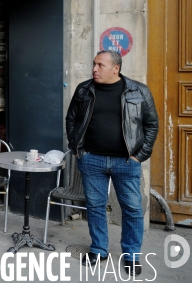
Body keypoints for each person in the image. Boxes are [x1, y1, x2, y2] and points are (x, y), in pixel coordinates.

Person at [66, 50, 159, 276]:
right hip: (92, 160)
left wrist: (139, 155)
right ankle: (99, 249)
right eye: (94, 64)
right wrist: (78, 149)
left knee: (133, 210)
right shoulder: (84, 89)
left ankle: (132, 256)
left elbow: (152, 125)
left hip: (126, 162)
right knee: (96, 208)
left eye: (100, 65)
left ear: (115, 68)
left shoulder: (139, 91)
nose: (94, 69)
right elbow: (71, 119)